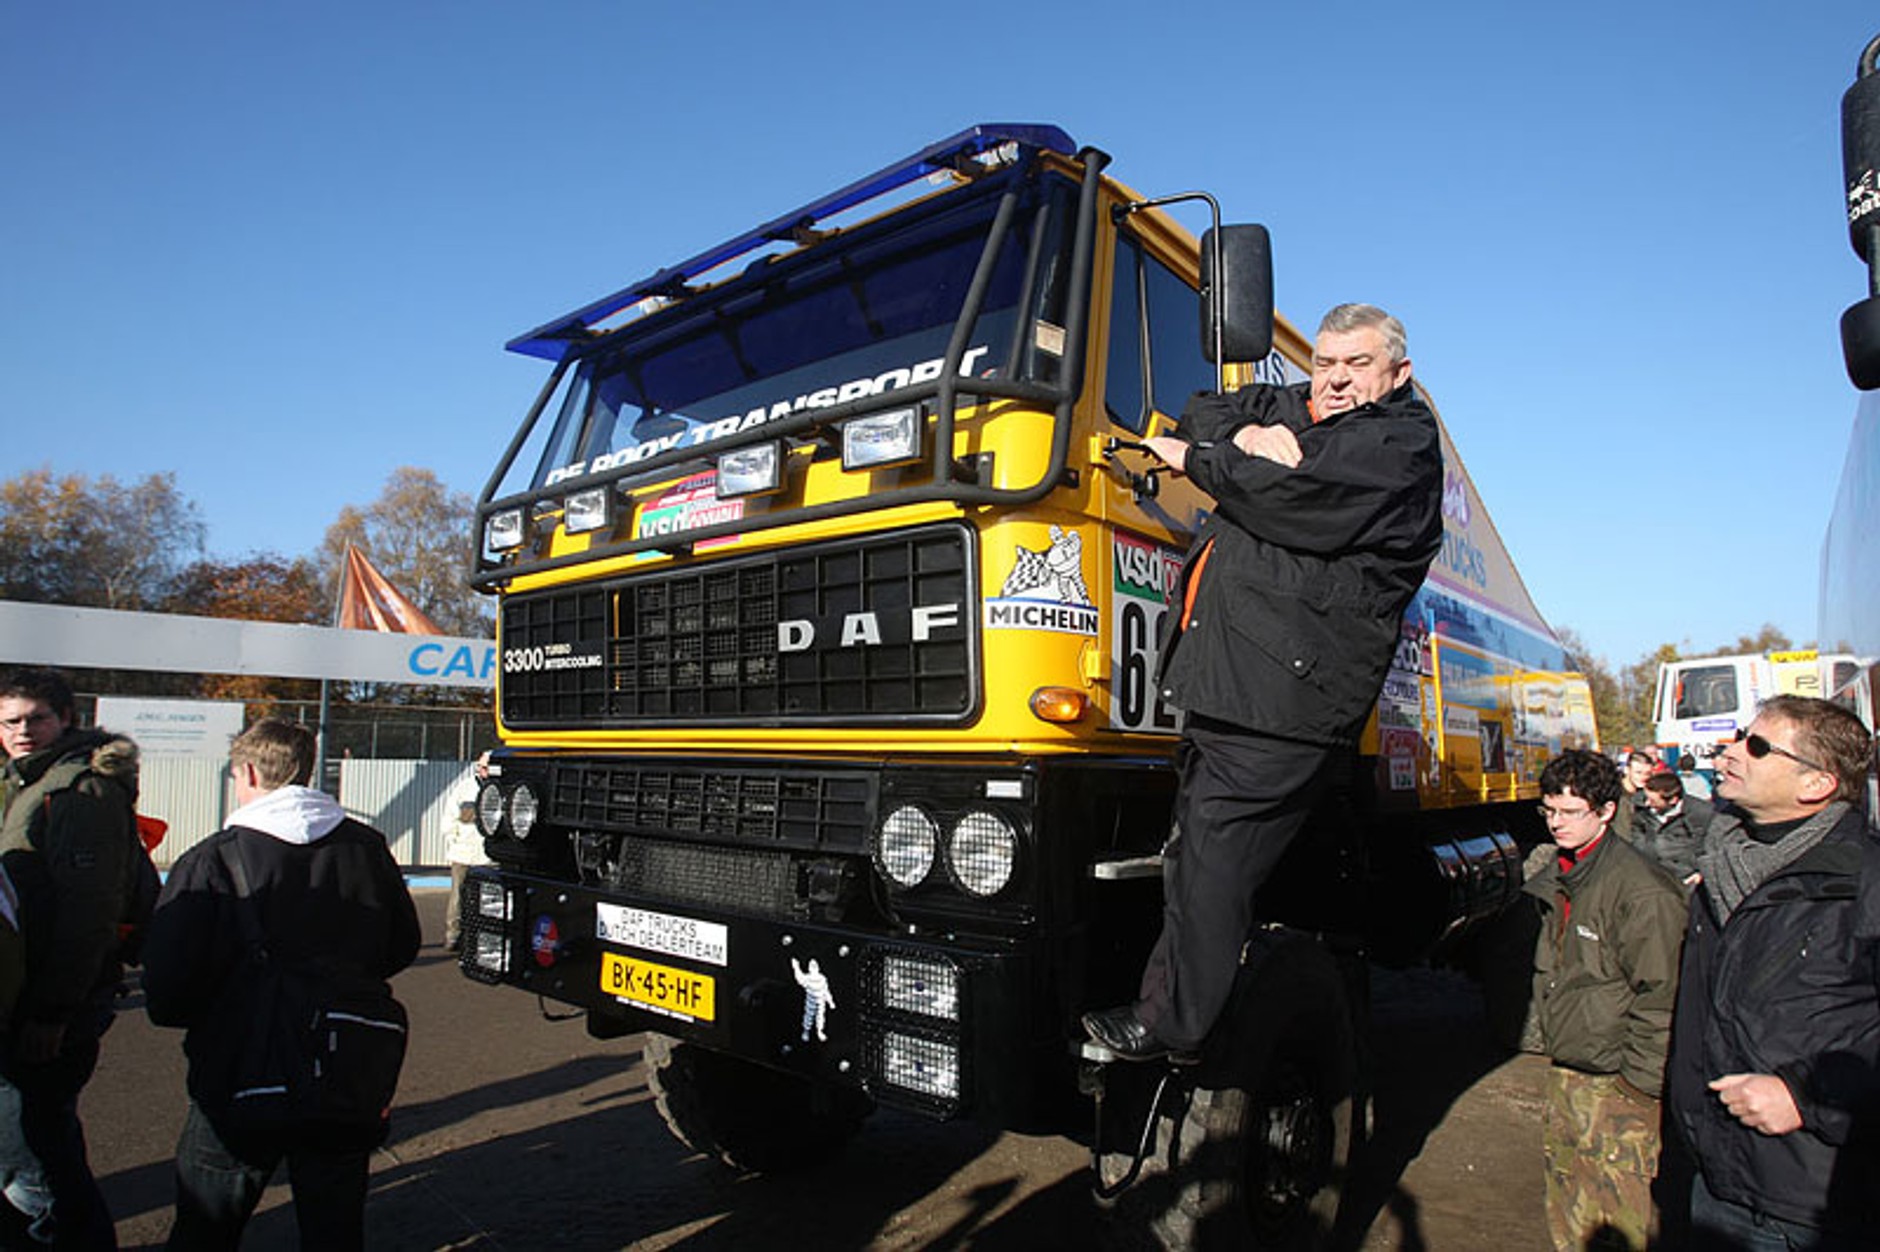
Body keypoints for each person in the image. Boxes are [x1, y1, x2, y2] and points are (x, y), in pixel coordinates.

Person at [1081, 303, 1444, 1060]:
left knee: (1213, 866)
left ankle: (1180, 1030)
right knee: (1194, 861)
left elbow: (1288, 497)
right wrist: (1243, 436)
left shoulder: (1397, 445)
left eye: (1357, 365)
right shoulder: (1300, 409)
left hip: (1284, 700)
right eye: (1324, 363)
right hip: (1231, 687)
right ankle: (1176, 1015)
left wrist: (1197, 458)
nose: (1335, 380)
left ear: (1398, 373)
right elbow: (1203, 407)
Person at [142, 719, 420, 1251]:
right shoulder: (366, 847)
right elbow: (401, 944)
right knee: (334, 1227)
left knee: (206, 1225)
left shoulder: (212, 857)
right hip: (342, 1062)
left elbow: (168, 986)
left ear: (248, 772)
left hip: (240, 1066)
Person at [1667, 695, 1880, 1249]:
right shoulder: (1719, 870)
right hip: (1713, 1180)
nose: (1732, 751)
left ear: (1817, 784)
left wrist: (1804, 1096)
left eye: (1758, 746)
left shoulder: (1866, 880)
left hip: (1816, 1206)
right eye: (1740, 736)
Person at [0, 668, 148, 1250]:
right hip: (24, 990)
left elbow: (89, 914)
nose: (22, 731)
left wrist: (52, 1012)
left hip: (50, 1002)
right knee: (40, 1140)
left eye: (36, 718)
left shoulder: (79, 792)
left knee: (36, 1152)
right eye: (10, 721)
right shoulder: (27, 782)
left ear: (66, 718)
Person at [1525, 750, 1687, 1251]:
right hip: (1572, 1067)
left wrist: (1636, 1089)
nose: (1557, 823)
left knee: (1615, 1218)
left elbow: (1660, 998)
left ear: (1607, 811)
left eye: (1571, 812)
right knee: (1567, 1206)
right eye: (1549, 810)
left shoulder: (1643, 892)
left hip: (1617, 1080)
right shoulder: (1564, 873)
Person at [1637, 771, 1713, 889]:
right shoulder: (1640, 807)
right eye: (1647, 798)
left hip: (1686, 878)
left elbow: (1710, 846)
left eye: (1653, 801)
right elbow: (1636, 833)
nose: (1647, 803)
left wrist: (1701, 873)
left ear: (1673, 800)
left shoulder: (1701, 813)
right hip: (1651, 875)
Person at [442, 781, 490, 956]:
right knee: (458, 895)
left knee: (487, 899)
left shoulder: (501, 785)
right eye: (483, 767)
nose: (486, 770)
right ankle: (453, 935)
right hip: (462, 854)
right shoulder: (464, 788)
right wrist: (454, 840)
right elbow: (449, 817)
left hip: (487, 858)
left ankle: (484, 937)